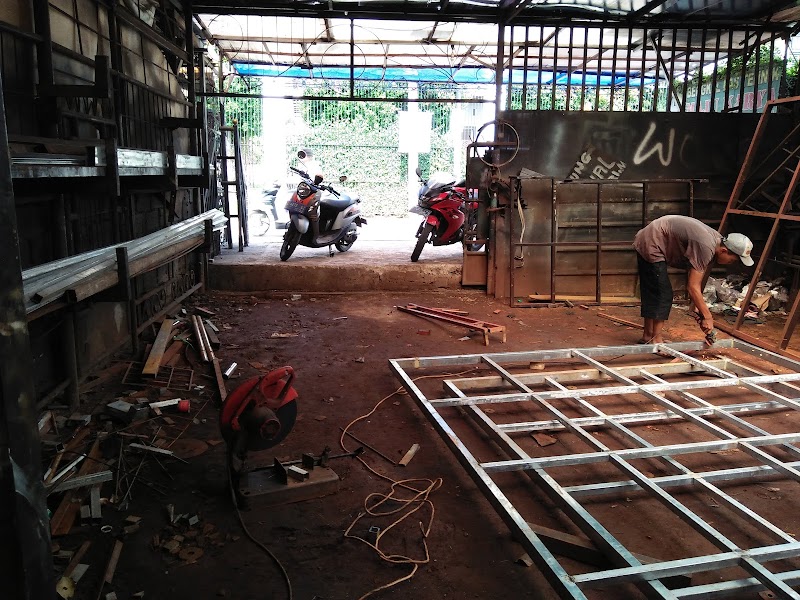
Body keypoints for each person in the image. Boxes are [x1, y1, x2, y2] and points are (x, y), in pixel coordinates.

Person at [633, 215, 754, 344]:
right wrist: (707, 317)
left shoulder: (716, 242)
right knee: (662, 293)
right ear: (724, 251)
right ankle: (655, 341)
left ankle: (648, 336)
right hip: (652, 240)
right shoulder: (706, 246)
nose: (731, 263)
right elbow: (692, 287)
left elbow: (693, 274)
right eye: (733, 260)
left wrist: (698, 308)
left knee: (654, 291)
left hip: (654, 236)